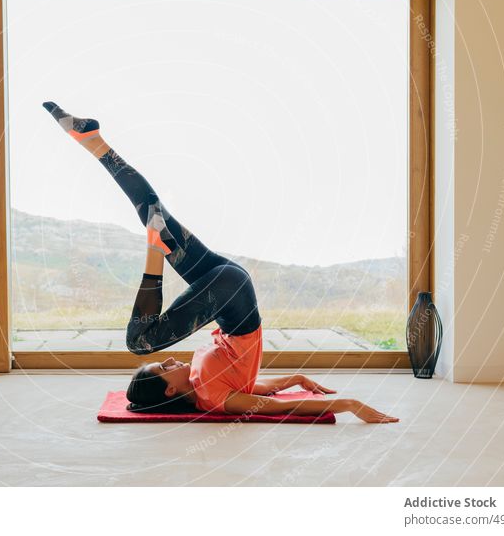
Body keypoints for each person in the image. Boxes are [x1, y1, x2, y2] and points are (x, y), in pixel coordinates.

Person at [42, 101, 399, 424]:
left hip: (229, 289)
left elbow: (255, 384)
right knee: (139, 344)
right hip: (229, 294)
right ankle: (154, 252)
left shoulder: (202, 383)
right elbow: (280, 407)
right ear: (169, 391)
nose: (171, 360)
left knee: (152, 210)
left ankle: (94, 142)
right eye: (165, 368)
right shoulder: (214, 399)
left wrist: (296, 379)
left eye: (164, 362)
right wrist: (350, 404)